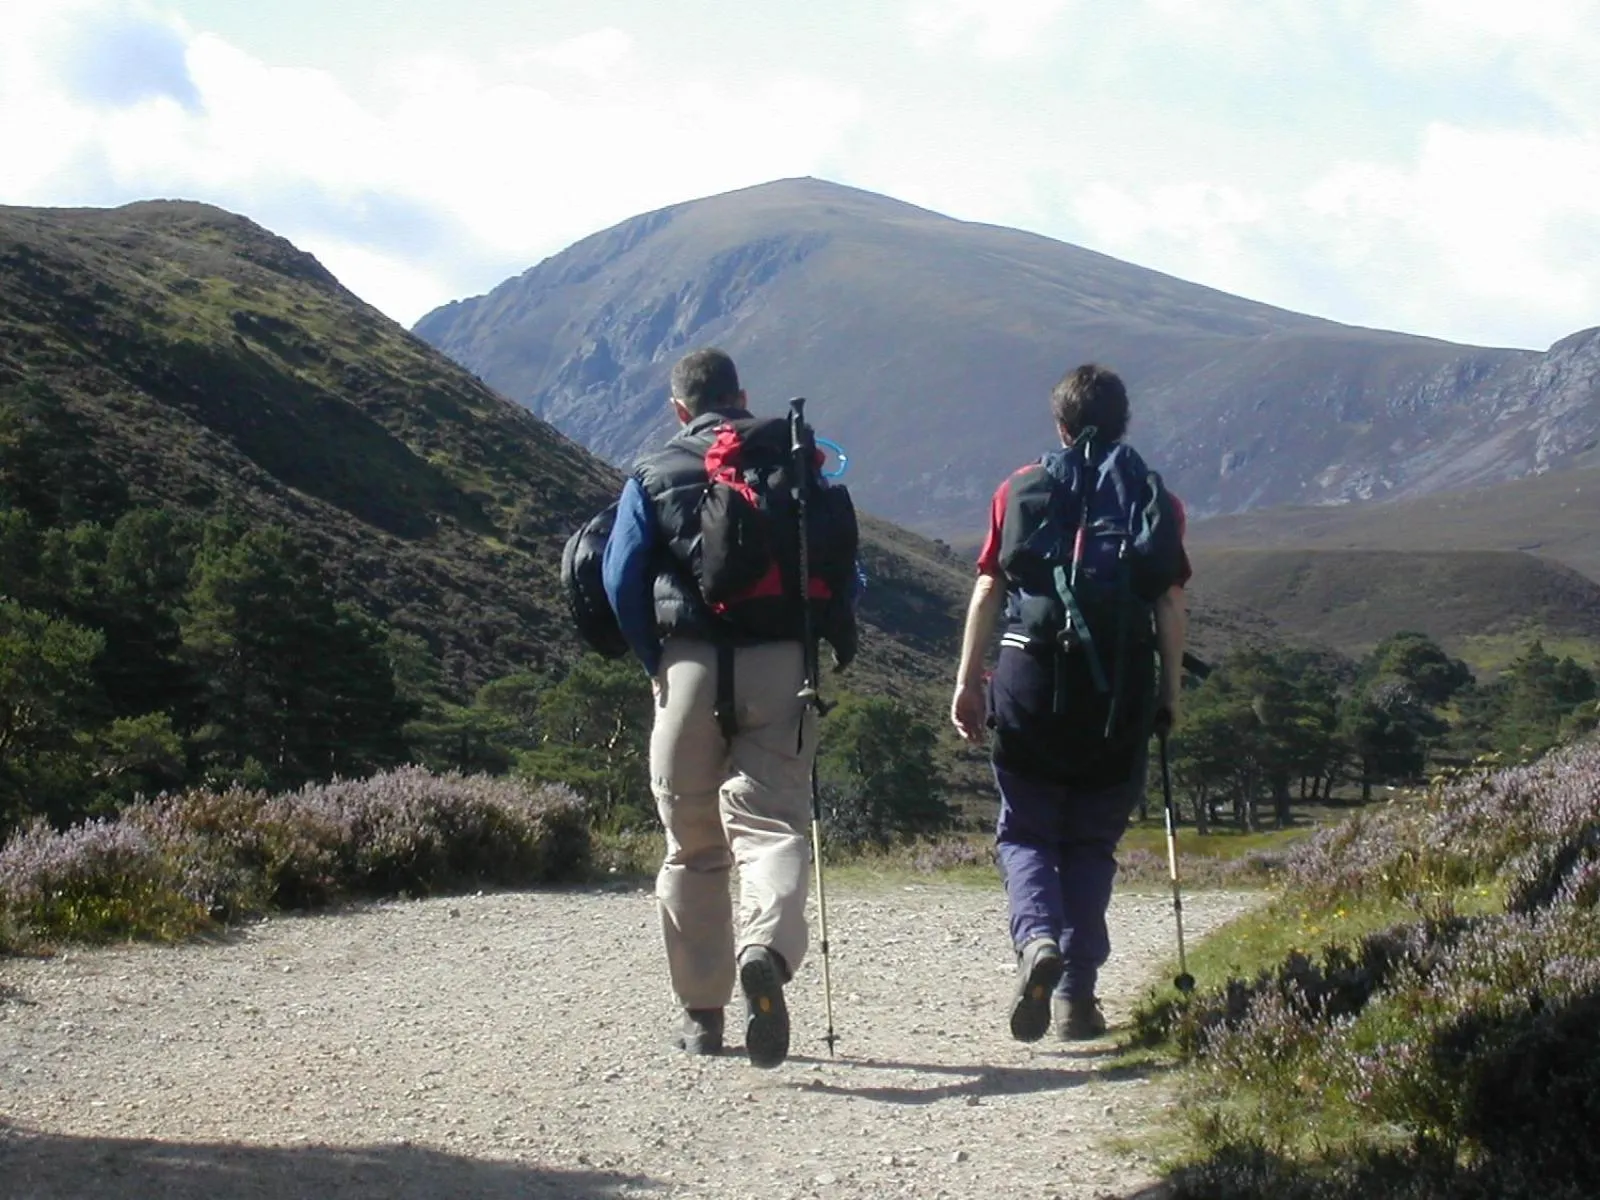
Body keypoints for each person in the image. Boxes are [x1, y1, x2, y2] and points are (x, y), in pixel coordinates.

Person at [602, 347, 857, 1067]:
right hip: (781, 663)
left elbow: (622, 577)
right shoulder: (796, 460)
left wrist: (658, 662)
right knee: (772, 826)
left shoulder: (653, 470)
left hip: (688, 663)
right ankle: (766, 955)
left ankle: (703, 1017)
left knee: (693, 844)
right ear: (742, 395)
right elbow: (844, 568)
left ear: (679, 408)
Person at [950, 363, 1191, 1042]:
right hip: (1118, 692)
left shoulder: (1019, 489)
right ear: (1123, 424)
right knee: (1090, 842)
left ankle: (1036, 944)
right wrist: (1167, 696)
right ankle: (1077, 1001)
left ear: (1059, 423)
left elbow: (989, 589)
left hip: (1028, 678)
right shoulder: (1154, 498)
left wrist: (969, 681)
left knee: (1026, 830)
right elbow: (1170, 603)